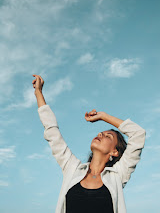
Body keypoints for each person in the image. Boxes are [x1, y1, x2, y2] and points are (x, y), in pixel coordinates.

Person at [32, 74, 146, 213]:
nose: (100, 134)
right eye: (100, 133)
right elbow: (52, 133)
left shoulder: (118, 175)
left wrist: (103, 116)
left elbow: (138, 134)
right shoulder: (72, 169)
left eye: (108, 136)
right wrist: (38, 93)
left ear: (114, 152)